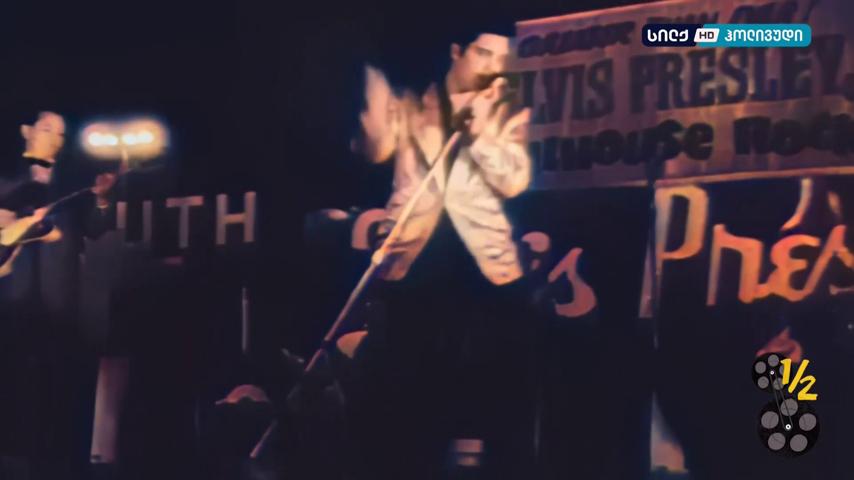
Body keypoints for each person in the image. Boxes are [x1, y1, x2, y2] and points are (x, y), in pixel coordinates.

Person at [352, 28, 537, 480]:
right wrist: (372, 91)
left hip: (484, 260)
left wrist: (478, 136)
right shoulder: (414, 104)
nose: (493, 65)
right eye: (483, 53)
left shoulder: (509, 110)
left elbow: (515, 180)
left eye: (502, 57)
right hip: (416, 255)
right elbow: (376, 150)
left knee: (491, 376)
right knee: (413, 377)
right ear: (457, 52)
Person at [0, 111, 117, 480]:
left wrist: (102, 200)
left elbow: (95, 227)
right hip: (13, 302)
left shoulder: (71, 187)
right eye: (47, 128)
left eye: (61, 133)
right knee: (19, 389)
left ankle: (60, 463)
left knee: (58, 389)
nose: (54, 137)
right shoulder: (6, 184)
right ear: (27, 131)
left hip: (61, 304)